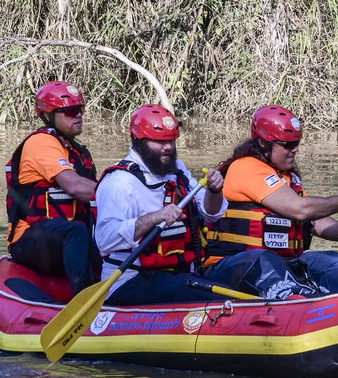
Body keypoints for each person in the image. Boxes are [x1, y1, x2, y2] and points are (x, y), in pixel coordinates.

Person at [94, 104, 302, 305]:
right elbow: (104, 240)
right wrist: (155, 217)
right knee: (212, 295)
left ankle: (290, 300)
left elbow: (212, 214)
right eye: (158, 141)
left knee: (254, 262)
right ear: (138, 141)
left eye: (171, 140)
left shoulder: (177, 172)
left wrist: (214, 191)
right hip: (131, 281)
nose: (167, 148)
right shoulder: (119, 181)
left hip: (182, 274)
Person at [204, 105, 338, 295]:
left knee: (332, 261)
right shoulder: (245, 168)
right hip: (234, 264)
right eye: (288, 145)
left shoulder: (286, 177)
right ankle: (298, 303)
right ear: (264, 143)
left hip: (282, 262)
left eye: (297, 143)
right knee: (264, 260)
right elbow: (301, 209)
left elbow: (314, 221)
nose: (295, 150)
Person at [5, 81, 100, 295]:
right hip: (31, 240)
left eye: (80, 109)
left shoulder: (74, 150)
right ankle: (84, 299)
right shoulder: (41, 142)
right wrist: (119, 197)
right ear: (48, 116)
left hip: (68, 241)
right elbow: (74, 186)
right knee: (75, 230)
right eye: (69, 111)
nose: (78, 115)